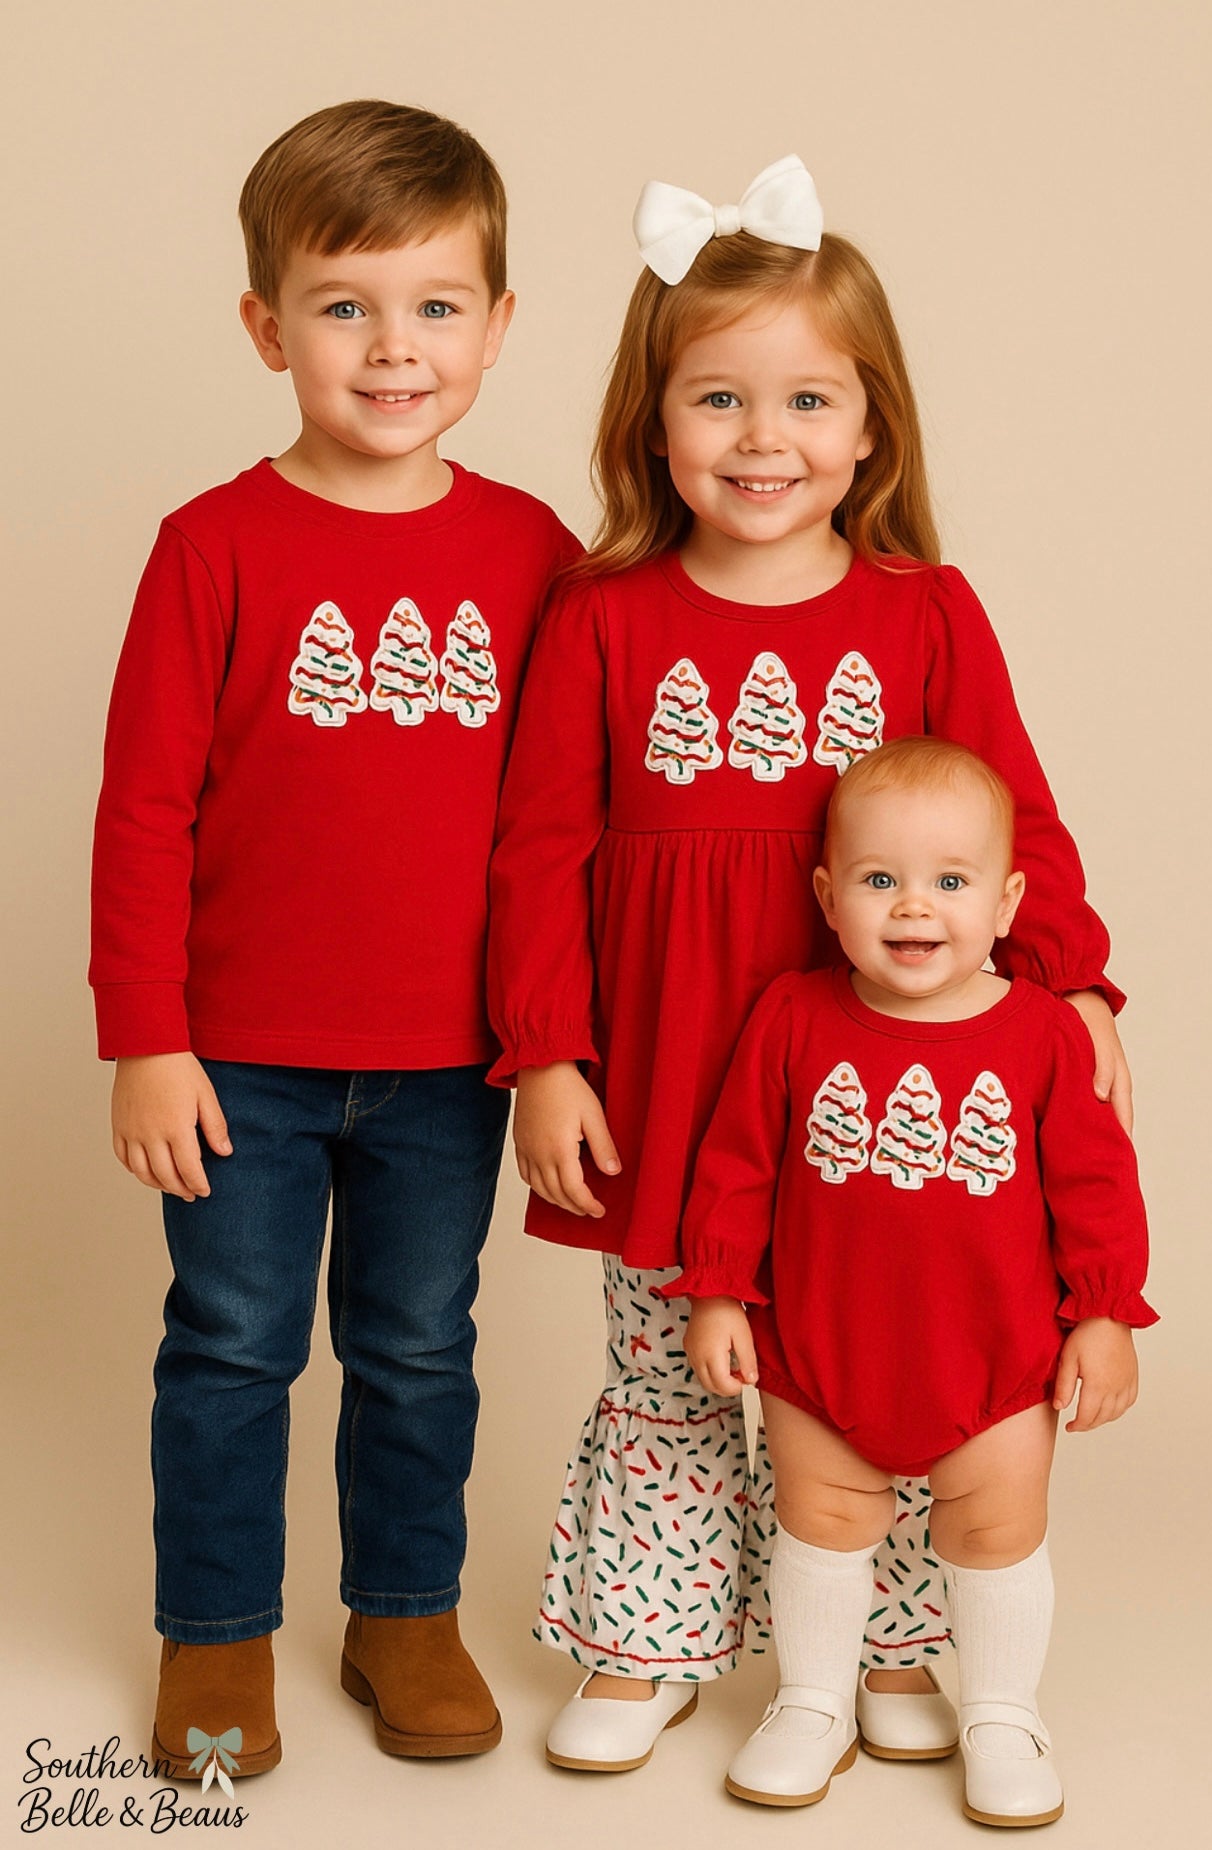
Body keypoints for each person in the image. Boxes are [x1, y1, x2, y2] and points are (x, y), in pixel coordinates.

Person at [487, 156, 1133, 1774]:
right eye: (717, 398)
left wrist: (1071, 982)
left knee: (889, 1359)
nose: (762, 439)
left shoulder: (922, 611)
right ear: (654, 422)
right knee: (670, 1370)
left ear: (869, 429)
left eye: (804, 401)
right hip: (664, 1062)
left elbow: (1014, 811)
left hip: (877, 1089)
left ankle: (902, 1646)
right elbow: (536, 854)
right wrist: (548, 1052)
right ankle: (645, 1644)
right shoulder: (602, 616)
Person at [90, 99, 578, 1778]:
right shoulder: (211, 550)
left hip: (452, 1061)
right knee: (229, 1349)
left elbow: (557, 824)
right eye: (345, 305)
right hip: (239, 1059)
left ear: (499, 327)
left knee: (416, 1345)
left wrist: (558, 1036)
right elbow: (143, 811)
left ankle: (402, 1613)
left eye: (437, 305)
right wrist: (146, 1035)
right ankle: (215, 1638)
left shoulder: (532, 556)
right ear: (265, 324)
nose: (392, 348)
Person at [667, 735, 1155, 1826]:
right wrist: (716, 1290)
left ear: (1008, 899)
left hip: (995, 1357)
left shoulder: (1038, 1032)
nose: (913, 908)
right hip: (822, 1347)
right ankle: (810, 1700)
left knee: (995, 1532)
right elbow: (736, 1166)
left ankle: (1000, 1710)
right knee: (821, 1521)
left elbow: (1095, 1184)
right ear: (828, 895)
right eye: (880, 879)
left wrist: (1107, 1312)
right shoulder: (793, 1015)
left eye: (949, 880)